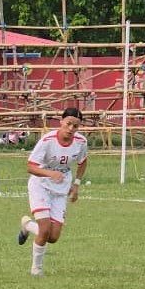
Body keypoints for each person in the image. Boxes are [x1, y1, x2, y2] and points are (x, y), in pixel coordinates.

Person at [17, 107, 88, 276]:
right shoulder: (47, 140)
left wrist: (76, 184)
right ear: (61, 121)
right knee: (45, 228)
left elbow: (83, 162)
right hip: (40, 186)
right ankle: (36, 269)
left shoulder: (81, 142)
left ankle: (27, 225)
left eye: (75, 126)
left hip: (61, 189)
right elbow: (30, 167)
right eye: (68, 124)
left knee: (53, 237)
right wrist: (50, 173)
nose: (71, 129)